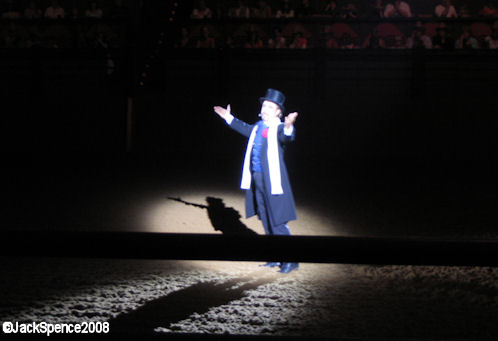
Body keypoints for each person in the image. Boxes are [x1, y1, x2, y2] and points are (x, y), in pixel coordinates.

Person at [213, 89, 299, 274]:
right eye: (264, 105)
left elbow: (287, 136)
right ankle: (275, 257)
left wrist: (289, 126)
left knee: (277, 220)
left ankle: (291, 259)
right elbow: (243, 127)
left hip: (273, 181)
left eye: (270, 106)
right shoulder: (258, 127)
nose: (266, 108)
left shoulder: (278, 128)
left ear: (278, 112)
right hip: (257, 179)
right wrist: (228, 117)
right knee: (266, 218)